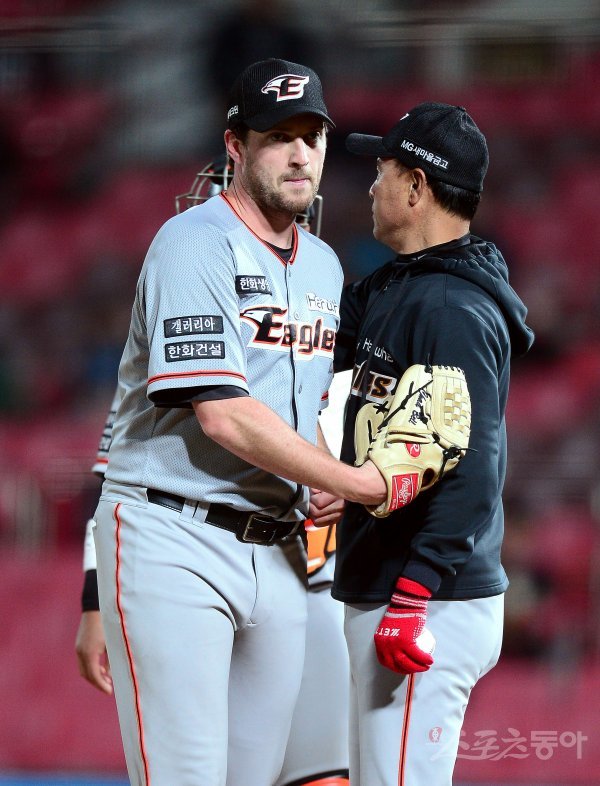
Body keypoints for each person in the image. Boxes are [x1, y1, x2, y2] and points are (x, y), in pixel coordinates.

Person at [91, 58, 385, 786]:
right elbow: (223, 415)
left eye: (312, 136)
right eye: (278, 136)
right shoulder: (192, 242)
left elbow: (303, 403)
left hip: (278, 548)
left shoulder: (323, 265)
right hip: (175, 534)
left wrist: (320, 473)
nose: (299, 154)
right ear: (235, 146)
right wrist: (349, 480)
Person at [330, 102, 535, 785]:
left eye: (383, 172)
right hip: (399, 584)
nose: (371, 187)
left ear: (416, 187)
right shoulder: (406, 284)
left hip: (426, 596)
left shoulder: (450, 307)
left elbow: (474, 463)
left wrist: (414, 595)